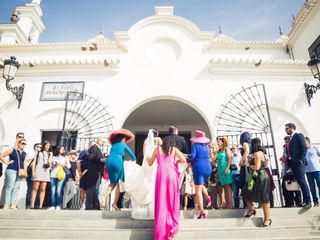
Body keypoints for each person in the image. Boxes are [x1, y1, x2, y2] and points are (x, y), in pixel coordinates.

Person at [147, 135, 186, 240]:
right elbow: (183, 159)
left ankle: (161, 231)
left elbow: (150, 163)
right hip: (172, 175)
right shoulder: (174, 150)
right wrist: (175, 162)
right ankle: (171, 227)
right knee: (171, 200)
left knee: (162, 202)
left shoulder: (157, 149)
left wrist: (147, 158)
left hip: (161, 176)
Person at [124, 128, 162, 219]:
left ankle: (143, 208)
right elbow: (161, 149)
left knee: (145, 182)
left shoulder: (146, 140)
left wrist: (146, 162)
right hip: (155, 163)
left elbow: (145, 154)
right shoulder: (158, 140)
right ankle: (154, 209)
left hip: (147, 162)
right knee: (153, 183)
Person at [100, 129, 136, 210]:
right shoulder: (124, 145)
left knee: (113, 183)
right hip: (117, 162)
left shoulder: (113, 146)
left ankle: (105, 198)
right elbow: (133, 156)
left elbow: (114, 154)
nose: (126, 140)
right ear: (123, 138)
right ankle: (114, 203)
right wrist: (134, 164)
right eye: (125, 139)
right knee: (120, 183)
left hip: (109, 161)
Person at [242, 138, 271, 227]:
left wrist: (249, 165)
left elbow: (257, 167)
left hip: (259, 177)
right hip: (263, 175)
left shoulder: (256, 154)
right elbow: (265, 164)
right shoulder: (263, 153)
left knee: (263, 199)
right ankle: (252, 210)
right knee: (247, 191)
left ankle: (267, 219)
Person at [285, 123, 311, 208]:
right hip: (292, 164)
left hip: (298, 163)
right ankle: (304, 201)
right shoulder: (289, 139)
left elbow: (304, 147)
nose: (286, 130)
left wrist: (300, 159)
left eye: (287, 129)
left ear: (292, 128)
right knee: (299, 182)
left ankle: (308, 201)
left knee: (302, 181)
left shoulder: (299, 135)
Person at [187, 130, 212, 218]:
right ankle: (208, 197)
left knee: (197, 191)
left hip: (199, 168)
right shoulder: (207, 147)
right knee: (201, 185)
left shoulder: (195, 145)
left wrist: (186, 157)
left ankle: (202, 211)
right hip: (208, 167)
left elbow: (193, 156)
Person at [0, 138, 28, 209]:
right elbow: (1, 155)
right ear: (18, 143)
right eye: (22, 143)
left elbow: (24, 163)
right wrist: (6, 162)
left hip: (20, 172)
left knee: (16, 188)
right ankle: (6, 204)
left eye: (25, 144)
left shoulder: (25, 153)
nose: (24, 145)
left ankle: (13, 204)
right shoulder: (12, 150)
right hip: (11, 170)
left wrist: (25, 173)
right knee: (10, 186)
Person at [30, 140, 52, 209]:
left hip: (45, 172)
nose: (48, 147)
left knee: (43, 189)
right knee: (35, 188)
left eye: (49, 146)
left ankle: (40, 205)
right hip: (38, 170)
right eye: (47, 145)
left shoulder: (49, 153)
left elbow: (49, 163)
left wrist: (50, 155)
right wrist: (33, 172)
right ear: (44, 145)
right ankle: (32, 205)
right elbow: (34, 162)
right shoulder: (38, 152)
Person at [280, 136, 301, 207]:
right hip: (286, 172)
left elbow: (290, 159)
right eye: (285, 141)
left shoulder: (292, 149)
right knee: (286, 187)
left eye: (287, 141)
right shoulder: (285, 149)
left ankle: (297, 202)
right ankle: (290, 203)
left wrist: (284, 160)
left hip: (292, 171)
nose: (286, 142)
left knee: (295, 187)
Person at [86, 137, 105, 210]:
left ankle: (95, 205)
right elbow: (91, 157)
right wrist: (101, 159)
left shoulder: (99, 149)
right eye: (102, 142)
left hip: (97, 171)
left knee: (95, 189)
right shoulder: (94, 147)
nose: (103, 143)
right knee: (91, 188)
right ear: (98, 141)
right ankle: (89, 206)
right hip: (94, 172)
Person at [49, 145, 70, 210]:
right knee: (53, 191)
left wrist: (62, 164)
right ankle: (52, 205)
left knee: (58, 191)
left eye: (63, 149)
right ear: (58, 149)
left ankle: (58, 205)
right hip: (53, 175)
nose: (62, 150)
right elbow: (50, 167)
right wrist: (55, 165)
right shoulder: (54, 157)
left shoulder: (65, 157)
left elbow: (69, 166)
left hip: (61, 175)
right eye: (61, 148)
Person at [215, 137, 233, 209]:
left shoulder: (226, 149)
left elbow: (230, 158)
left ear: (223, 142)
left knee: (227, 187)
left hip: (225, 168)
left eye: (219, 141)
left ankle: (230, 204)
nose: (218, 143)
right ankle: (226, 204)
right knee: (224, 187)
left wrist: (227, 168)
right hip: (220, 170)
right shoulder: (219, 151)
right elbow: (214, 159)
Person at [77, 140, 95, 210]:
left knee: (90, 190)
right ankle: (83, 205)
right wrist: (79, 172)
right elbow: (78, 162)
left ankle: (89, 204)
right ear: (89, 145)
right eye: (92, 145)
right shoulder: (84, 152)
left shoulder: (95, 153)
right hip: (84, 173)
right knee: (82, 189)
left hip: (92, 174)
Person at [305, 137, 320, 207]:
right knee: (312, 188)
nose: (305, 145)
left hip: (317, 170)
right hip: (308, 171)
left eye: (306, 143)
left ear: (309, 143)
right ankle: (315, 202)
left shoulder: (315, 148)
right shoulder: (303, 151)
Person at [25, 143, 41, 209]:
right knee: (30, 189)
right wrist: (25, 172)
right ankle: (28, 205)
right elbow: (25, 162)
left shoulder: (41, 155)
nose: (39, 148)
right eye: (38, 147)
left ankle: (35, 204)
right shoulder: (30, 153)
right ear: (34, 147)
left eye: (40, 147)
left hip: (39, 173)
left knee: (38, 190)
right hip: (30, 172)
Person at [230, 144, 242, 208]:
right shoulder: (231, 157)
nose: (233, 150)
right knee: (235, 192)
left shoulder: (240, 156)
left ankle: (245, 205)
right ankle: (236, 206)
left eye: (234, 148)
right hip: (234, 175)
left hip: (240, 175)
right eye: (232, 149)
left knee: (243, 191)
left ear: (237, 149)